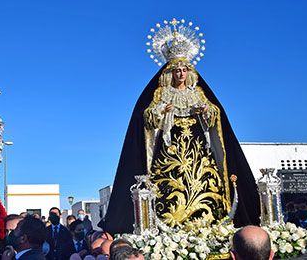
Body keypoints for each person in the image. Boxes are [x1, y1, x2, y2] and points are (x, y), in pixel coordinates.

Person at [102, 19, 260, 233]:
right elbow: (147, 117)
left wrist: (205, 112)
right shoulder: (161, 93)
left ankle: (209, 224)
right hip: (171, 149)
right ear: (170, 73)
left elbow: (216, 114)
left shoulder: (198, 92)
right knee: (170, 182)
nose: (181, 74)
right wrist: (162, 111)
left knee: (205, 180)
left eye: (184, 70)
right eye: (177, 71)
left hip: (198, 149)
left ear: (190, 72)